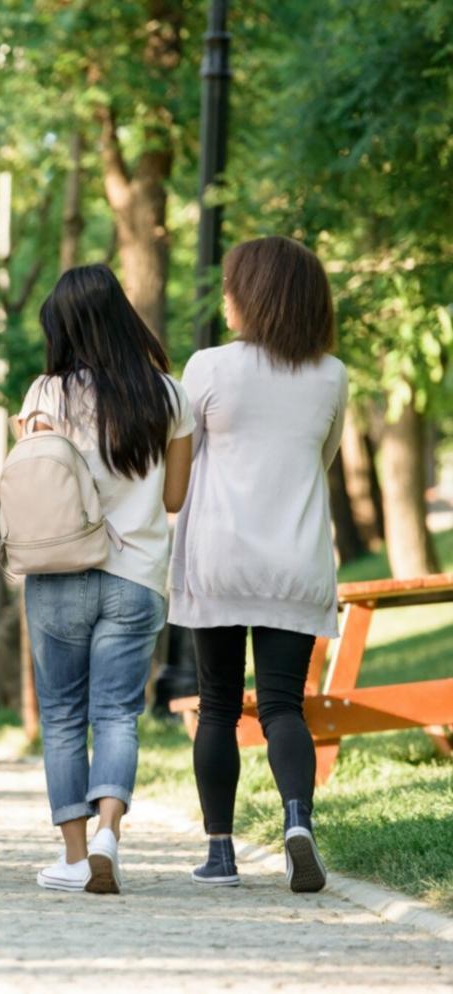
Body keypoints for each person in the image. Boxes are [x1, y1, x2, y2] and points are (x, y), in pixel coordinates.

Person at [169, 236, 346, 893]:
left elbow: (178, 466)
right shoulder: (331, 375)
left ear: (254, 296)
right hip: (294, 563)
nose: (223, 299)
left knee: (216, 705)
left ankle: (219, 854)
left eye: (230, 288)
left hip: (219, 560)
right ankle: (296, 820)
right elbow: (319, 460)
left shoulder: (208, 367)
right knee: (282, 707)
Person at [18, 265, 193, 895]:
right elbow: (173, 498)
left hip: (59, 571)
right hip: (137, 575)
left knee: (64, 716)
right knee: (118, 714)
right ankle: (108, 836)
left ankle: (71, 857)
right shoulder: (170, 396)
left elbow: (33, 483)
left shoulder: (45, 393)